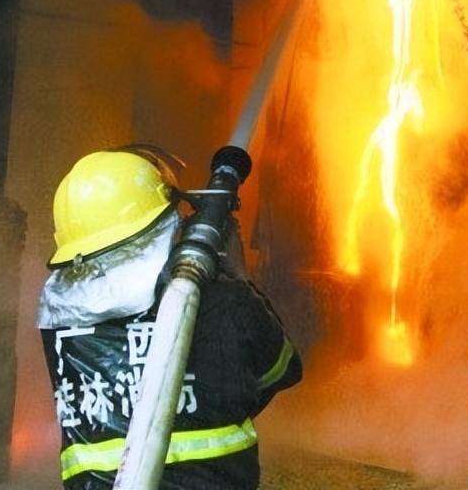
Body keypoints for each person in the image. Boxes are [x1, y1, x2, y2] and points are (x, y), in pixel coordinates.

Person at [38, 146, 301, 490]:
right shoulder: (223, 303)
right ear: (164, 225)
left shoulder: (58, 317)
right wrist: (238, 278)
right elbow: (283, 369)